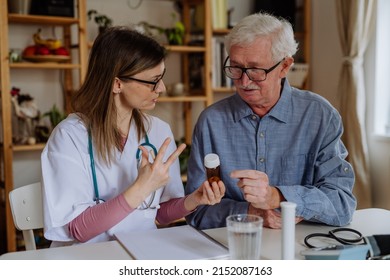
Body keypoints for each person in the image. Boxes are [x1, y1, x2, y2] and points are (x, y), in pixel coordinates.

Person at [41, 26, 225, 246]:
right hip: (87, 258)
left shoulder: (158, 131)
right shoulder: (69, 136)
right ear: (117, 83)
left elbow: (158, 214)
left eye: (162, 78)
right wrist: (141, 187)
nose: (162, 88)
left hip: (142, 251)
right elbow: (78, 229)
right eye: (153, 81)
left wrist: (194, 200)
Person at [185, 12, 356, 230]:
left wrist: (279, 197)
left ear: (285, 66)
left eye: (256, 70)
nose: (244, 81)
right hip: (234, 248)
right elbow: (195, 211)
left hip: (300, 245)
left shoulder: (320, 116)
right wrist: (249, 212)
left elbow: (342, 204)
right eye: (236, 68)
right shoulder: (211, 121)